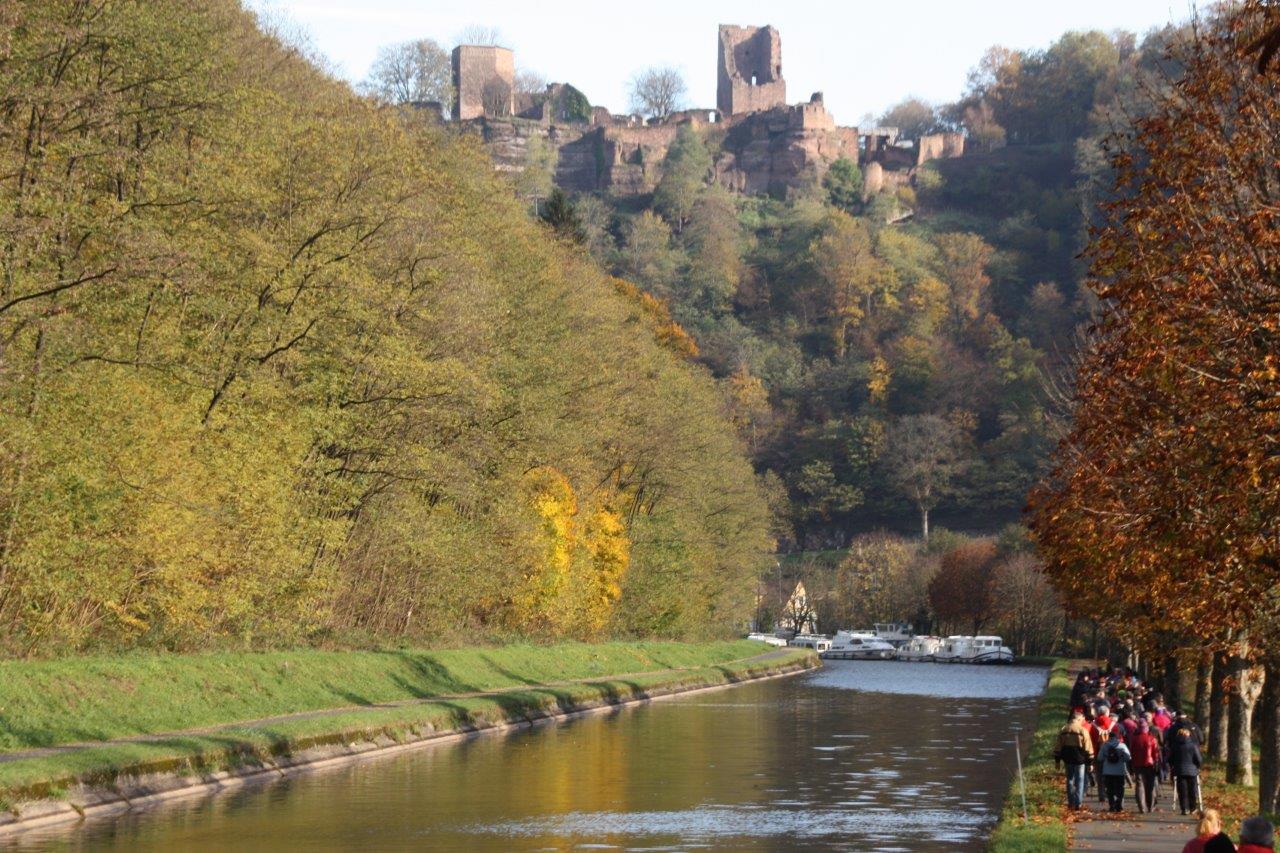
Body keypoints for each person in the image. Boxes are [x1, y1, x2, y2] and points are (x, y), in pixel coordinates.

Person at [1055, 711, 1095, 809]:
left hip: (1067, 760)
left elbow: (1058, 747)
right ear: (1078, 719)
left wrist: (1057, 761)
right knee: (1080, 780)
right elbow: (1088, 747)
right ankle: (1078, 802)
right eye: (1082, 720)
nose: (1083, 721)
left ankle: (1071, 802)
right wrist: (1090, 762)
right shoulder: (1082, 730)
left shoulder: (1064, 729)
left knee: (1069, 780)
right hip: (1080, 760)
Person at [1169, 726, 1203, 814]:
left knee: (1182, 790)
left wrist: (1173, 765)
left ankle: (1184, 808)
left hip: (1179, 770)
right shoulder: (1193, 745)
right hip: (1192, 770)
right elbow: (1198, 758)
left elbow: (1170, 758)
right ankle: (1193, 808)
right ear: (1188, 735)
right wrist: (1198, 766)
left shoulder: (1175, 745)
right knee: (1192, 789)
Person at [1128, 719, 1161, 813]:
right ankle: (1150, 806)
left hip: (1137, 764)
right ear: (1147, 728)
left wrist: (1131, 764)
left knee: (1139, 785)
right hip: (1150, 764)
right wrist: (1157, 763)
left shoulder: (1134, 739)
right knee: (1150, 786)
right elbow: (1156, 754)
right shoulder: (1152, 738)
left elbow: (1131, 752)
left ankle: (1142, 807)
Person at [1099, 728, 1132, 812]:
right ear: (1117, 737)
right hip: (1119, 771)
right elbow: (1128, 758)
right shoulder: (1122, 745)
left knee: (1109, 789)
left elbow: (1099, 758)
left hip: (1107, 771)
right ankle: (1119, 804)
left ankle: (1111, 805)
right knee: (1120, 788)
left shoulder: (1104, 745)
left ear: (1108, 737)